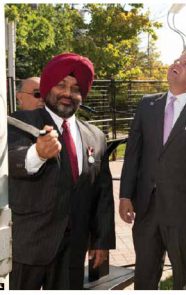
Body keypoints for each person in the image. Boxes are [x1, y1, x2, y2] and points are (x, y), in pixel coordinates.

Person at [8, 53, 115, 290]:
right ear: (47, 88)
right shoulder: (21, 122)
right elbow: (13, 159)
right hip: (29, 247)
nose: (68, 93)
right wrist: (37, 154)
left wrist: (101, 241)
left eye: (76, 88)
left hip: (73, 251)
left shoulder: (95, 136)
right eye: (61, 85)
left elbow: (102, 192)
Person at [119, 50, 186, 290]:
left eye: (185, 64)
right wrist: (125, 195)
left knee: (182, 277)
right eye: (177, 60)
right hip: (145, 209)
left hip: (184, 213)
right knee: (144, 275)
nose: (177, 63)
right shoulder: (147, 105)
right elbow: (133, 154)